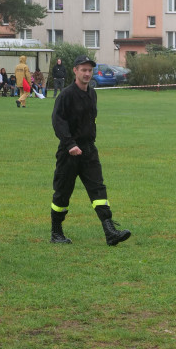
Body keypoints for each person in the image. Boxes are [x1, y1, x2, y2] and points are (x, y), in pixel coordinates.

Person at [49, 55, 131, 247]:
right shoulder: (66, 95)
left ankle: (110, 231)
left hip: (88, 150)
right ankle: (56, 232)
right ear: (75, 71)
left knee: (98, 189)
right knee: (62, 193)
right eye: (83, 70)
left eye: (89, 70)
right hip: (69, 152)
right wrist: (70, 145)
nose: (87, 73)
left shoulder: (92, 93)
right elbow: (58, 121)